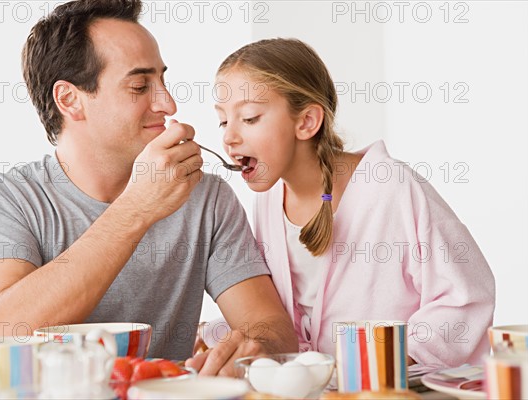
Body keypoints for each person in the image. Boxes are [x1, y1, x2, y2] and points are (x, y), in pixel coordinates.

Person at [0, 0, 297, 375]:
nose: (168, 103)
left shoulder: (205, 196)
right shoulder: (7, 198)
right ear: (70, 100)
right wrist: (136, 209)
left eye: (162, 81)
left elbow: (273, 329)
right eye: (140, 86)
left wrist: (253, 350)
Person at [195, 38, 495, 369]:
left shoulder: (391, 188)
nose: (228, 137)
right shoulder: (267, 200)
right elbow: (294, 320)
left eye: (249, 118)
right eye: (223, 120)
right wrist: (218, 335)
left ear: (307, 121)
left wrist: (380, 361)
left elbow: (466, 300)